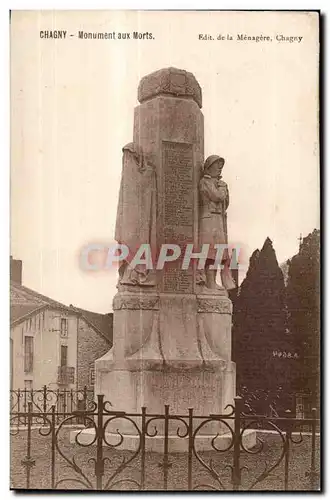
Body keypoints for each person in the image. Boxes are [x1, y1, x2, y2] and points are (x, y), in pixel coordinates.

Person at [198, 155, 236, 290]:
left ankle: (213, 281)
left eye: (221, 167)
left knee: (218, 253)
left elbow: (225, 203)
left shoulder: (220, 184)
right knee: (210, 252)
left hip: (218, 220)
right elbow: (217, 196)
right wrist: (222, 187)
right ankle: (210, 282)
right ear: (209, 167)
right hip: (208, 220)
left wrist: (223, 188)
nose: (219, 169)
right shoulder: (205, 182)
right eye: (217, 166)